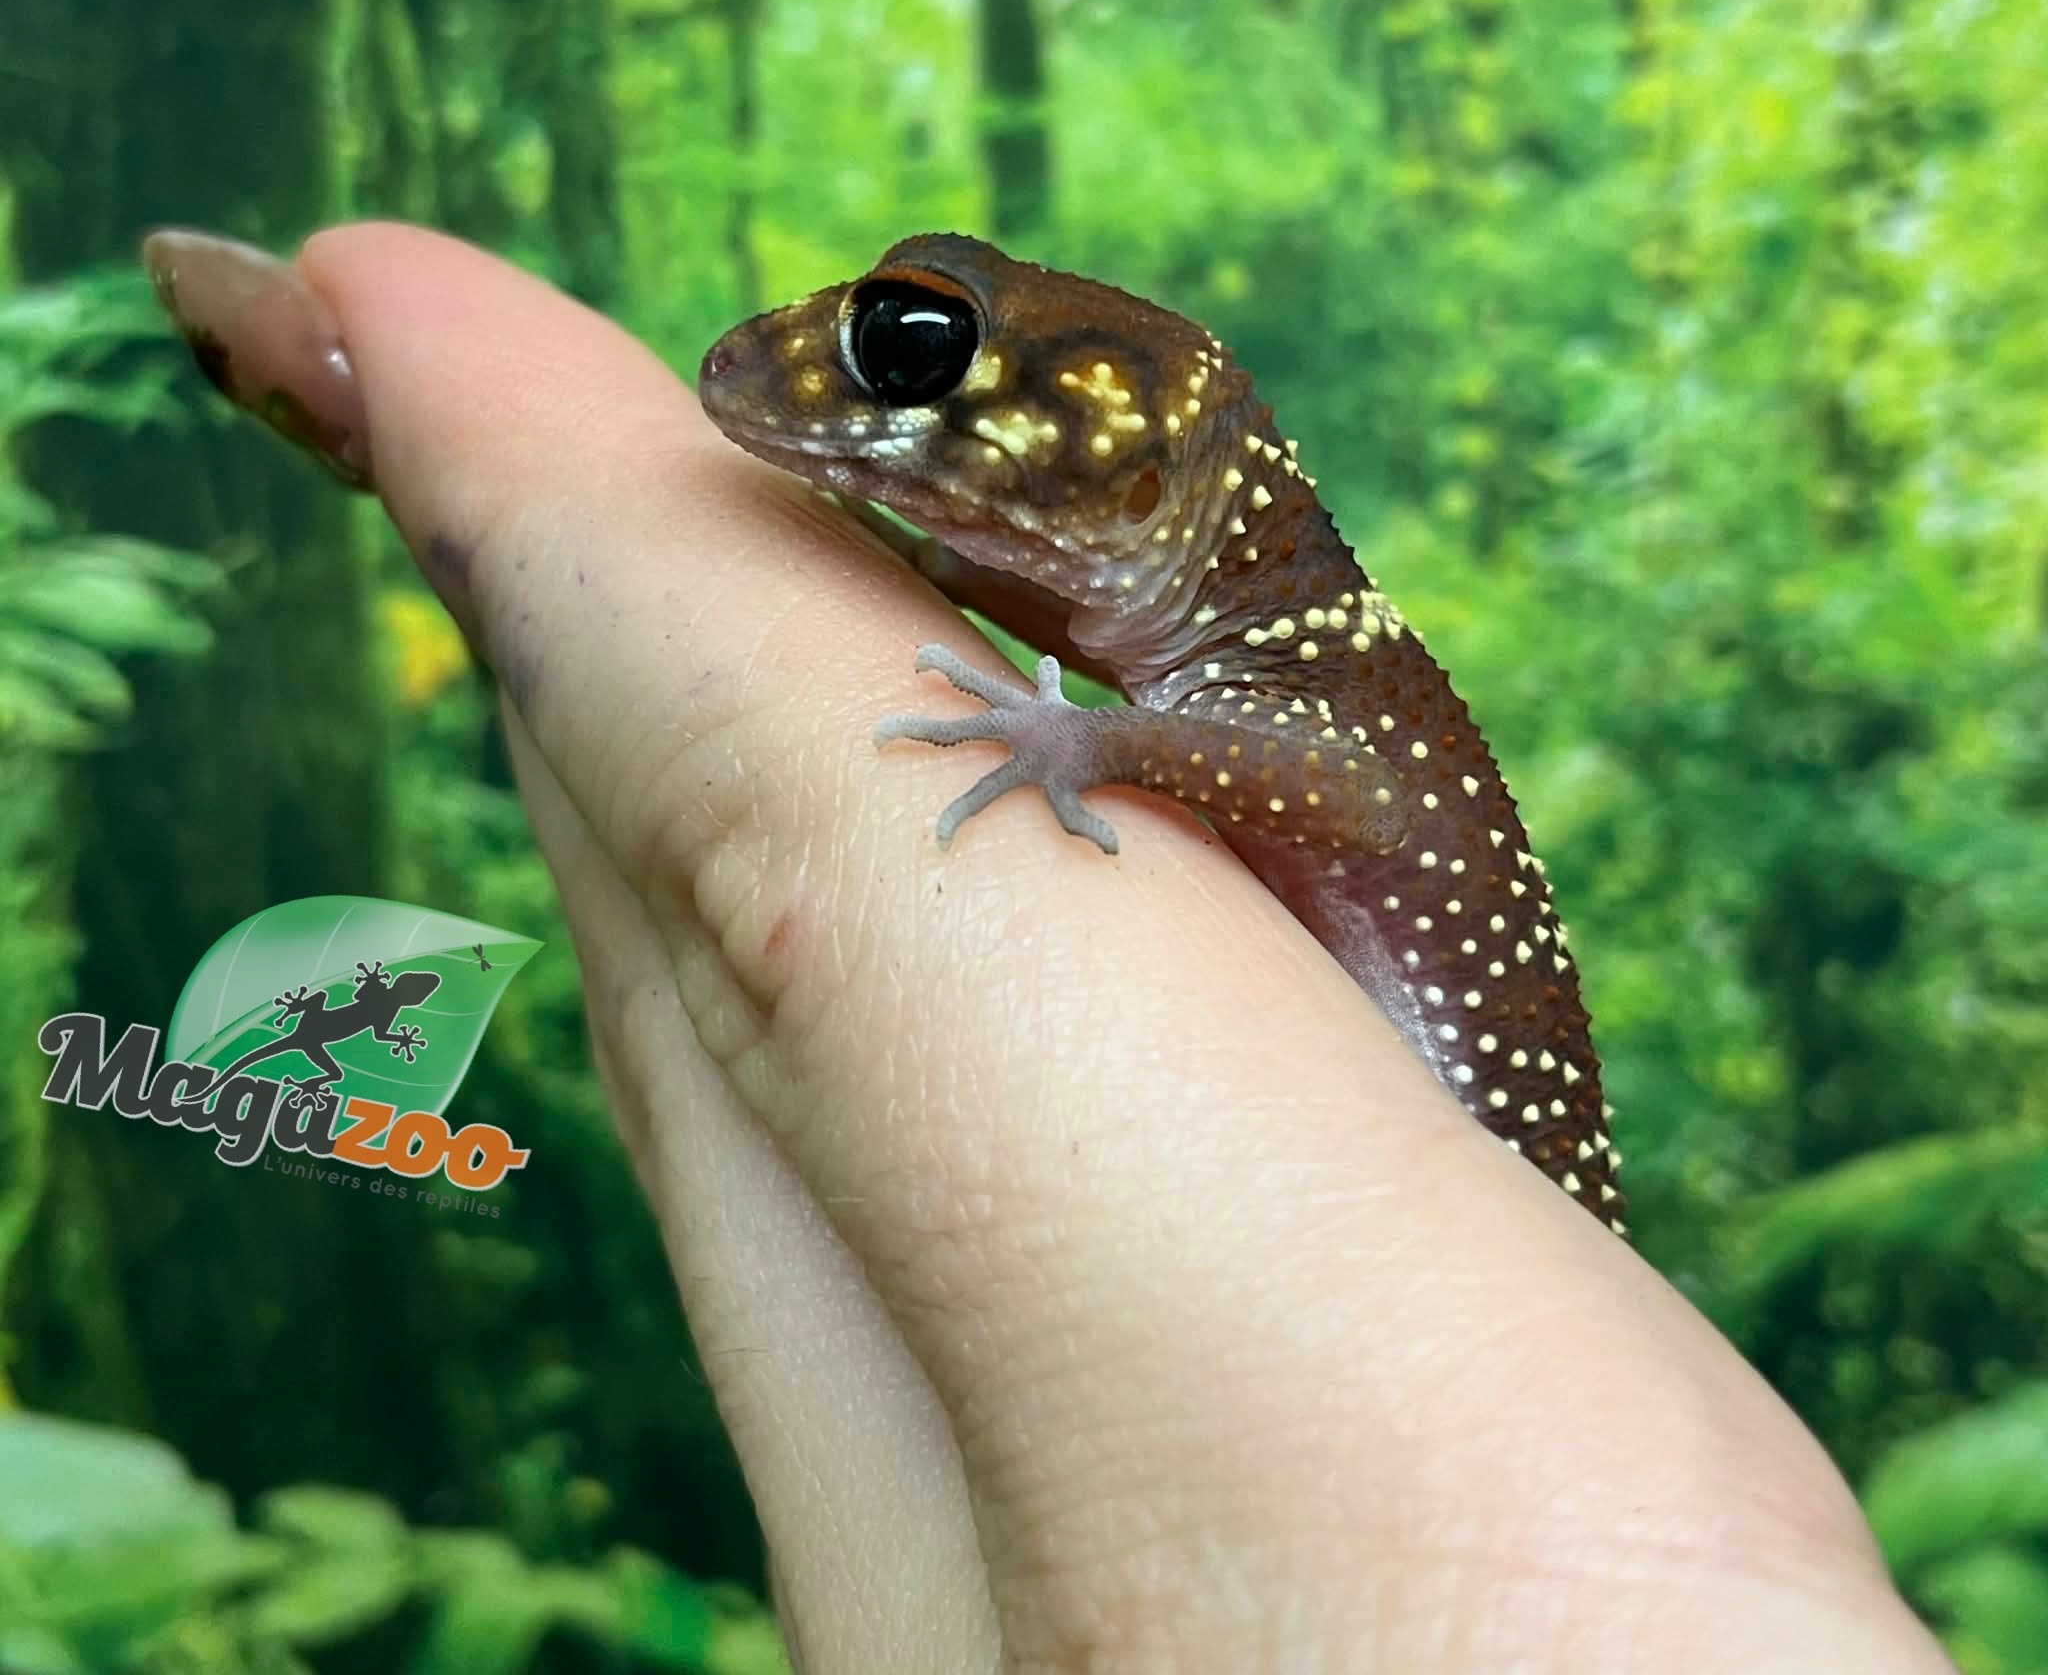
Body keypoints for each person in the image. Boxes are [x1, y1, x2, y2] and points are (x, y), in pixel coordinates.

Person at [143, 224, 1958, 1675]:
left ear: (1146, 450)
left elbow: (1319, 785)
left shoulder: (1304, 690)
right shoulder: (1258, 643)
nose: (827, 372)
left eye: (913, 354)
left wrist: (1088, 741)